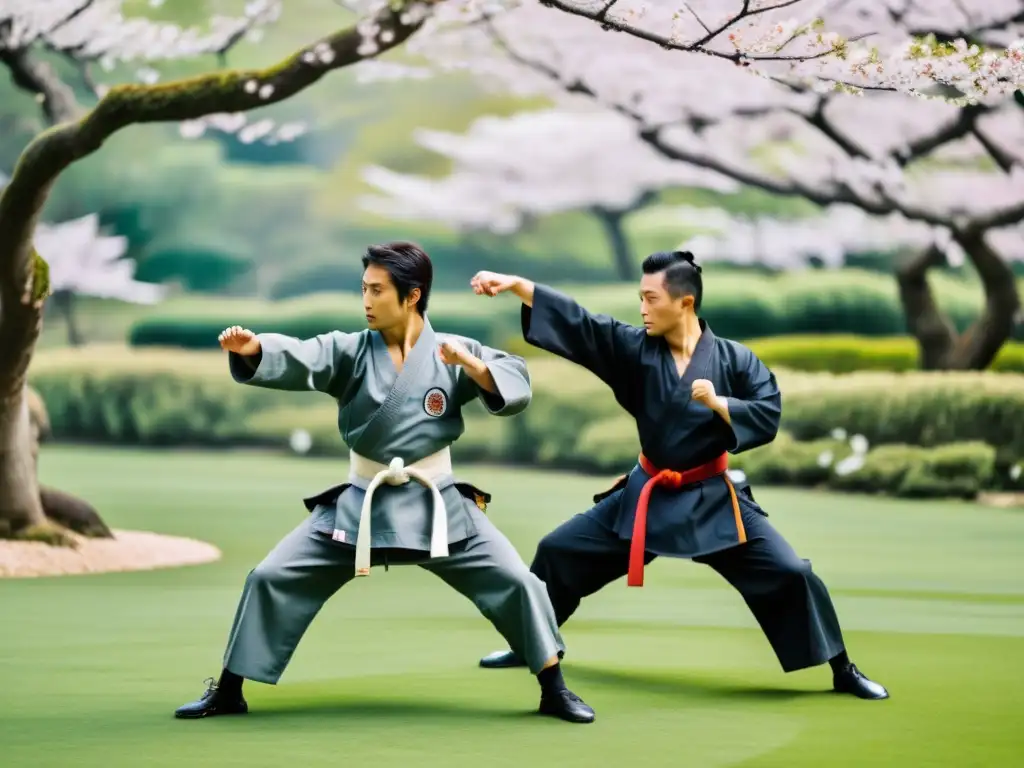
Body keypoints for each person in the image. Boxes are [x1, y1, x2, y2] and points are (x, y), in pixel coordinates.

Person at [174, 241, 595, 723]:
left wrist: (472, 368)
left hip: (439, 506)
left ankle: (554, 689)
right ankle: (229, 690)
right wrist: (253, 350)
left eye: (377, 290)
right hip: (360, 507)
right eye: (364, 289)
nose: (367, 301)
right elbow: (303, 355)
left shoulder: (451, 351)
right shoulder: (350, 350)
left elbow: (515, 379)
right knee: (270, 576)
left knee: (518, 581)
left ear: (412, 296)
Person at [467, 251, 889, 701]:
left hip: (711, 498)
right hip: (647, 495)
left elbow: (767, 412)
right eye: (641, 298)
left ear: (684, 302)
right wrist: (517, 285)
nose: (643, 308)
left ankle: (842, 668)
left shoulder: (736, 360)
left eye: (651, 299)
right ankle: (530, 643)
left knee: (789, 572)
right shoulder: (634, 349)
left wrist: (720, 404)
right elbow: (584, 324)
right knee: (559, 550)